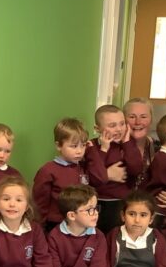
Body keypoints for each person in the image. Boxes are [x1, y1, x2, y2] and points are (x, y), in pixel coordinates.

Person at [33, 118, 106, 233]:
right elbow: (39, 205)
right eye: (73, 146)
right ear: (58, 146)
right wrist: (39, 231)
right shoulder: (48, 170)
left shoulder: (83, 166)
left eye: (83, 145)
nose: (79, 151)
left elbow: (101, 179)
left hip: (82, 225)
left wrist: (91, 150)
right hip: (57, 226)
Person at [86, 104, 143, 233]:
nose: (118, 129)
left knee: (117, 236)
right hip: (98, 201)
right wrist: (104, 151)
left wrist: (127, 142)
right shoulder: (92, 146)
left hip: (121, 202)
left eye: (122, 124)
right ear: (97, 128)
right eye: (112, 126)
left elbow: (136, 169)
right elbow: (94, 177)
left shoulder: (128, 145)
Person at [123, 98, 157, 189]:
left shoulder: (159, 148)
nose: (138, 122)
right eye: (132, 117)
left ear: (151, 120)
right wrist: (107, 174)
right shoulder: (111, 147)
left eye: (143, 117)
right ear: (123, 120)